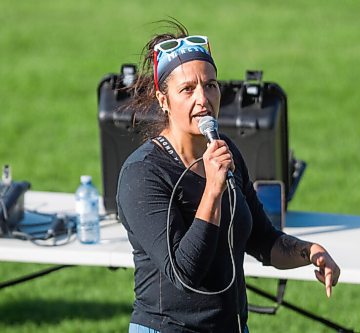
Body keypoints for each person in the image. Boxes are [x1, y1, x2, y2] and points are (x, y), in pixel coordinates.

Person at [117, 20, 340, 333]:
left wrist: (310, 252)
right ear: (163, 100)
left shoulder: (226, 152)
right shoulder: (143, 173)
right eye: (187, 89)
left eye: (210, 85)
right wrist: (213, 190)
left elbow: (262, 239)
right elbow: (185, 273)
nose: (203, 99)